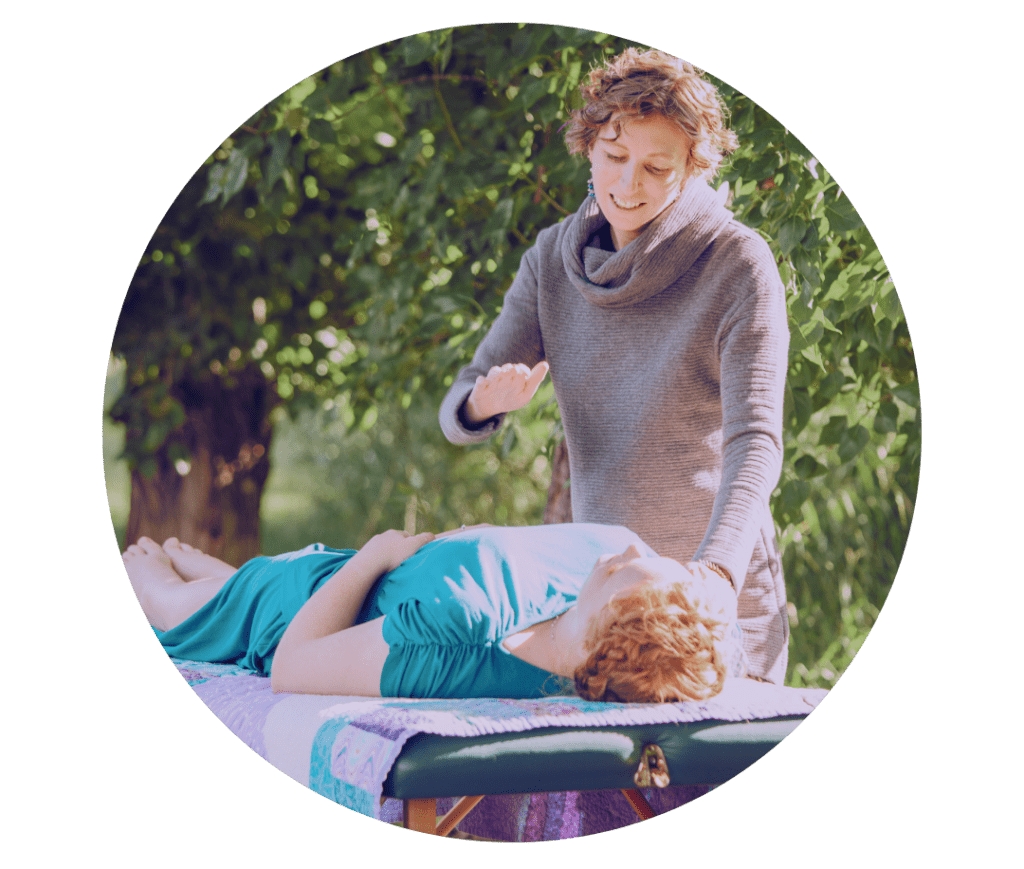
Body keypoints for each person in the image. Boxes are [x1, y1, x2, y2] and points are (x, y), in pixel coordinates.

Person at [439, 48, 790, 683]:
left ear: (693, 167)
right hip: (604, 602)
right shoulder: (552, 261)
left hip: (718, 598)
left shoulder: (738, 262)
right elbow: (458, 404)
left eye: (657, 167)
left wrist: (714, 575)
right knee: (602, 779)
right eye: (614, 158)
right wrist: (482, 404)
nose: (630, 185)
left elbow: (757, 440)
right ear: (588, 148)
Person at [123, 522, 744, 702]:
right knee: (234, 576)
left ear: (604, 632)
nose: (629, 548)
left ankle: (210, 580)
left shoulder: (454, 652)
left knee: (150, 584)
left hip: (289, 608)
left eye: (621, 569)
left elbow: (292, 667)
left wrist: (373, 556)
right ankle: (223, 576)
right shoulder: (576, 625)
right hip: (319, 574)